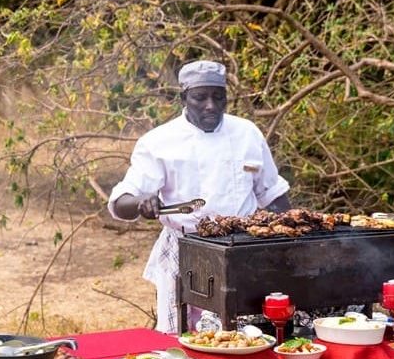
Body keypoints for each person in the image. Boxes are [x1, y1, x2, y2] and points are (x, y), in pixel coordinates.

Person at [109, 60, 291, 332]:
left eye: (219, 97)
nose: (210, 106)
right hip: (185, 249)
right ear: (183, 98)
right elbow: (122, 201)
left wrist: (284, 239)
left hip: (241, 249)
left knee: (243, 334)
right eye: (200, 97)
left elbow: (273, 194)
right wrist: (141, 203)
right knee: (181, 338)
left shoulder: (246, 133)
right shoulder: (159, 141)